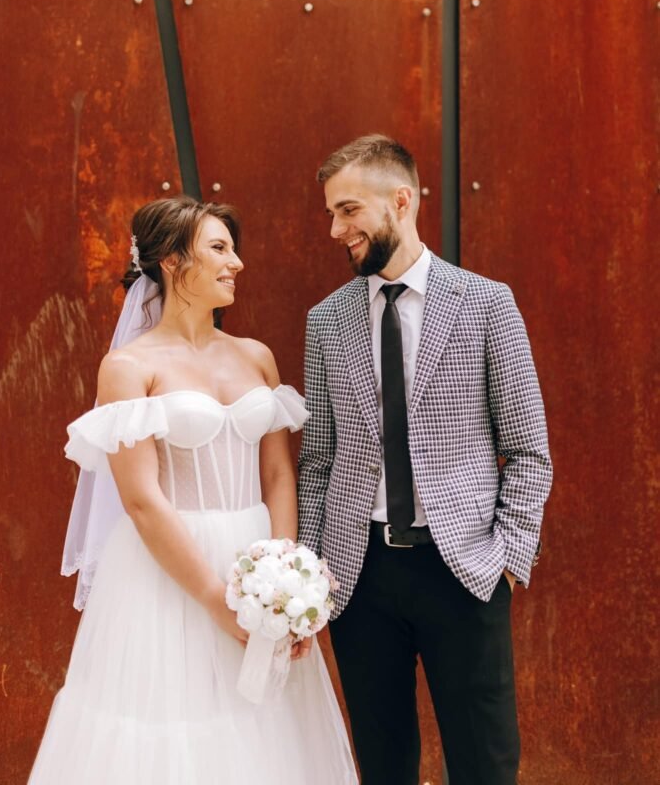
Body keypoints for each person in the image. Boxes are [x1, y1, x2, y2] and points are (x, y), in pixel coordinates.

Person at [29, 196, 357, 785]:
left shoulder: (256, 356)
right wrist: (213, 596)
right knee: (176, 730)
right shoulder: (129, 366)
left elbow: (278, 474)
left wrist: (285, 577)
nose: (237, 263)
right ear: (172, 261)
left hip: (257, 558)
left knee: (267, 729)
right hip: (171, 571)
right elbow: (140, 499)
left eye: (234, 249)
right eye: (219, 249)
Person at [298, 135, 553, 785]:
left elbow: (528, 449)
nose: (336, 230)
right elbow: (318, 460)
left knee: (485, 763)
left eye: (348, 210)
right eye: (331, 213)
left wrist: (507, 561)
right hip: (358, 576)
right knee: (384, 765)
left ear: (401, 200)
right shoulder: (326, 322)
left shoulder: (487, 303)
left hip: (462, 568)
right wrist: (310, 570)